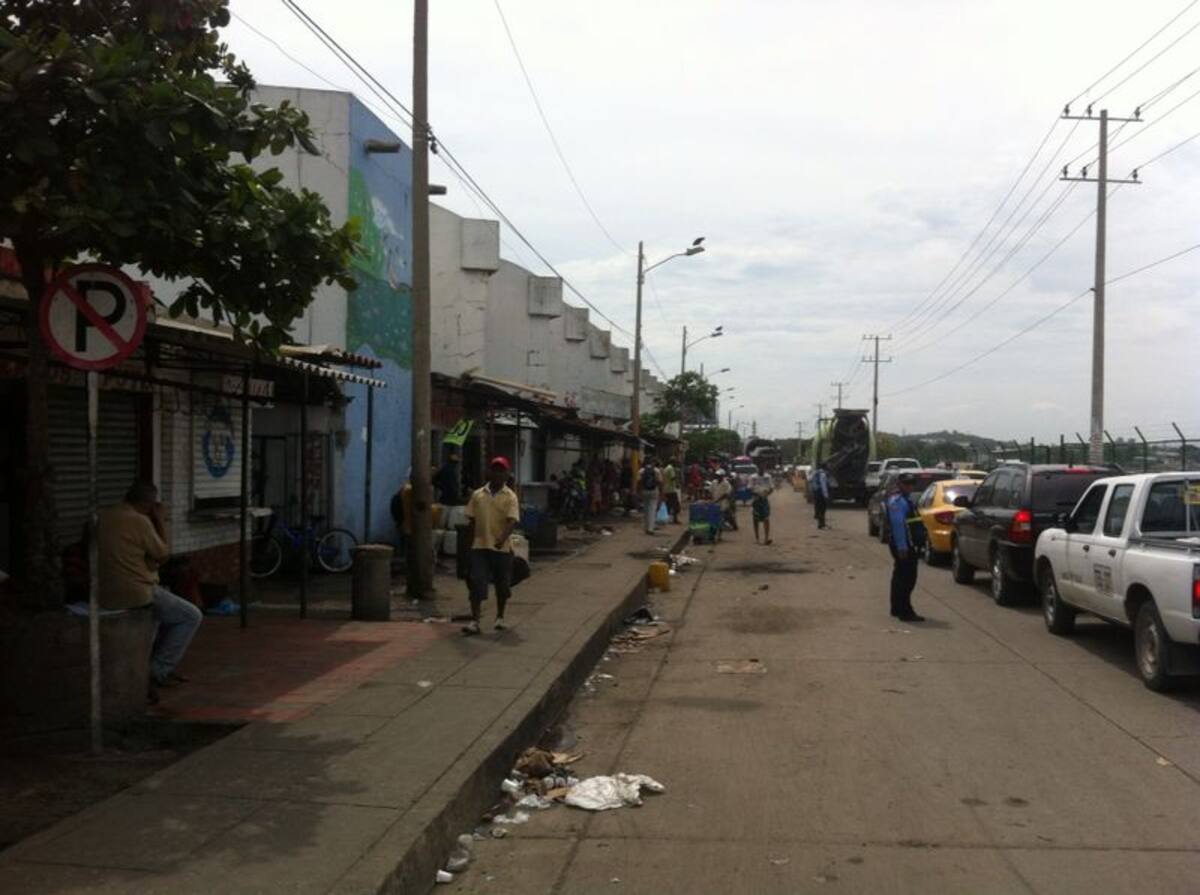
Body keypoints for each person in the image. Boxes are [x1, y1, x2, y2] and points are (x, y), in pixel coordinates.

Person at [97, 481, 203, 702]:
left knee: (163, 616)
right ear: (149, 504)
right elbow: (163, 554)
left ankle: (153, 666)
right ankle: (157, 670)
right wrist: (160, 520)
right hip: (138, 590)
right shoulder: (140, 520)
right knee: (190, 616)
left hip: (104, 590)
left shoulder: (103, 516)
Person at [462, 457, 521, 635]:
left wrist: (502, 538)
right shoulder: (478, 495)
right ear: (489, 473)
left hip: (501, 549)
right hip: (480, 546)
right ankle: (475, 621)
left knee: (502, 585)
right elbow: (471, 519)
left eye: (501, 470)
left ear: (506, 474)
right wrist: (470, 542)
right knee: (477, 582)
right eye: (494, 470)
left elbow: (512, 521)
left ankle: (500, 617)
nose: (497, 474)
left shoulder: (510, 496)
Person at [886, 473, 926, 622]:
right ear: (899, 484)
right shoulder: (897, 501)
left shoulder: (905, 500)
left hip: (906, 544)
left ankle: (897, 608)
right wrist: (902, 547)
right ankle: (905, 611)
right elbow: (898, 526)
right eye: (906, 483)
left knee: (899, 577)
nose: (910, 486)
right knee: (907, 579)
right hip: (903, 545)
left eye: (912, 483)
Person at [749, 467, 774, 545]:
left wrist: (766, 494)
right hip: (755, 500)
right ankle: (757, 538)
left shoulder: (768, 477)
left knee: (766, 518)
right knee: (755, 519)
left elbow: (771, 488)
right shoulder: (753, 477)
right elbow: (750, 488)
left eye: (762, 467)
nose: (761, 469)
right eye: (760, 467)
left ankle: (766, 538)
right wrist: (756, 494)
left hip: (764, 499)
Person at [637, 457, 662, 534]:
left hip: (644, 491)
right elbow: (660, 482)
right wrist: (661, 493)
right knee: (652, 509)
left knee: (645, 509)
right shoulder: (656, 470)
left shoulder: (641, 470)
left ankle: (646, 527)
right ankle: (651, 528)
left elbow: (638, 482)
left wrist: (638, 492)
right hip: (654, 491)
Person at [810, 463, 831, 529]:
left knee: (819, 508)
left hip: (816, 493)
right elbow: (823, 486)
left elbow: (810, 480)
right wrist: (826, 496)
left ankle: (821, 524)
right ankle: (821, 525)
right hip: (821, 494)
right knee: (822, 509)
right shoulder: (823, 475)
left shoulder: (816, 473)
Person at [662, 458, 681, 524]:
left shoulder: (666, 468)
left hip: (666, 489)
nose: (677, 463)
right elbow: (673, 478)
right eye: (676, 462)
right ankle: (675, 519)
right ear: (673, 462)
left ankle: (667, 519)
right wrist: (677, 482)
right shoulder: (671, 468)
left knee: (668, 505)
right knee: (675, 505)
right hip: (671, 489)